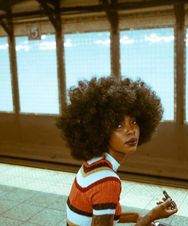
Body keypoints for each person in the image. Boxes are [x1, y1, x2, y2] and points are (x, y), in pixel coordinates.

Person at [57, 76, 178, 226]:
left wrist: (137, 217)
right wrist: (151, 217)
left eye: (133, 122)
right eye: (118, 125)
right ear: (102, 130)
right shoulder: (108, 181)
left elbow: (99, 213)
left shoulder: (93, 162)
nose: (131, 131)